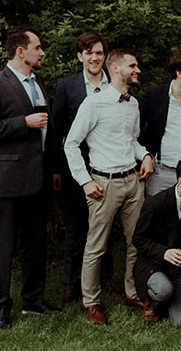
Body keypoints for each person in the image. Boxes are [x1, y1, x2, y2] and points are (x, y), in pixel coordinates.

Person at [0, 26, 61, 333]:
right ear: (21, 51)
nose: (42, 52)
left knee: (35, 245)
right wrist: (24, 122)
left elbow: (48, 131)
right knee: (3, 249)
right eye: (38, 47)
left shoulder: (38, 82)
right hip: (6, 182)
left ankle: (33, 300)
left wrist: (53, 169)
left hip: (38, 179)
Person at [64, 49, 155, 325]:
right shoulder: (94, 103)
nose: (137, 70)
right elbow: (71, 144)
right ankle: (91, 302)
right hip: (103, 184)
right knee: (96, 246)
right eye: (133, 65)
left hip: (133, 182)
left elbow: (133, 141)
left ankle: (132, 292)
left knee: (135, 242)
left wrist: (146, 156)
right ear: (115, 68)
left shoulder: (133, 103)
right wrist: (85, 180)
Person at [52, 31, 119, 305]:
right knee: (76, 227)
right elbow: (57, 129)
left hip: (108, 166)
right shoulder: (68, 86)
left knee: (106, 225)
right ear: (80, 56)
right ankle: (71, 284)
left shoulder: (114, 83)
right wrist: (56, 169)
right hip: (76, 168)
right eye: (89, 53)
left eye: (99, 53)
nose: (94, 58)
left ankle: (106, 278)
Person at [132, 156, 181, 327]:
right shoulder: (155, 203)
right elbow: (138, 238)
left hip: (180, 267)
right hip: (155, 263)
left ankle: (174, 299)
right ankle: (152, 301)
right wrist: (164, 252)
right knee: (163, 290)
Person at [139, 49, 181, 197]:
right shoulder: (154, 95)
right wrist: (146, 154)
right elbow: (135, 128)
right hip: (159, 173)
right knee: (156, 210)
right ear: (179, 72)